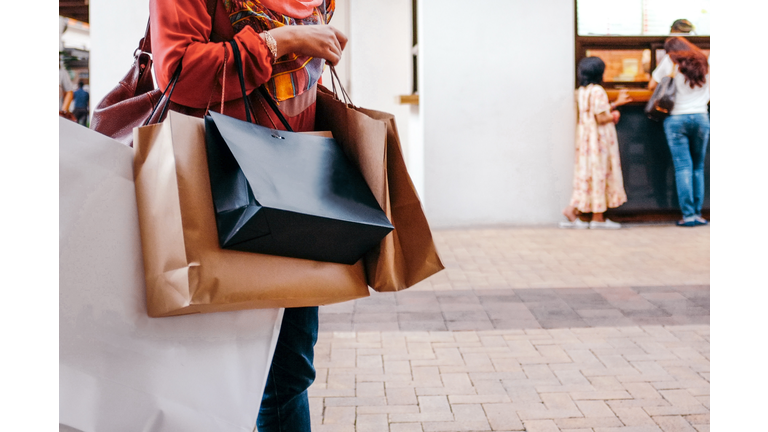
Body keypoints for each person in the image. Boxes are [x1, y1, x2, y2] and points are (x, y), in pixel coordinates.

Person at [149, 0, 347, 430]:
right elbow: (178, 71)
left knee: (288, 375)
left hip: (297, 191)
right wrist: (282, 40)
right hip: (218, 193)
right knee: (207, 382)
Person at [561, 57, 632, 229]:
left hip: (586, 139)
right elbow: (601, 117)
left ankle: (573, 209)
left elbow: (593, 112)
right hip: (599, 139)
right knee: (600, 173)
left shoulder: (582, 91)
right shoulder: (598, 91)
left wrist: (614, 104)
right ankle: (597, 218)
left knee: (587, 174)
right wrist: (614, 115)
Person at [649, 36, 710, 227]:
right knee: (698, 167)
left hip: (676, 118)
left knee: (683, 167)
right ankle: (698, 214)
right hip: (701, 117)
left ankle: (688, 215)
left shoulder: (670, 61)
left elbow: (651, 86)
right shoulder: (703, 60)